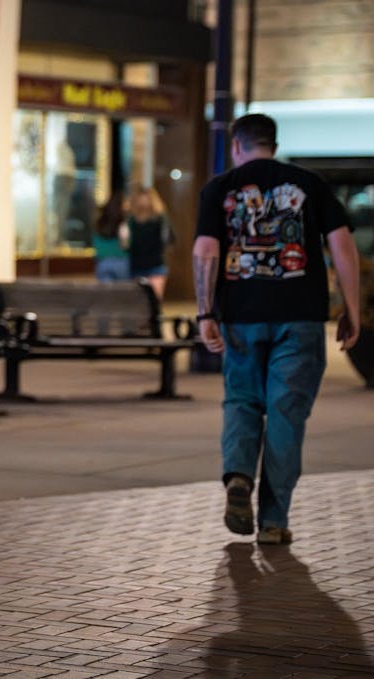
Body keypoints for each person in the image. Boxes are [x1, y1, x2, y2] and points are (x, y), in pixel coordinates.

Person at [193, 113, 360, 546]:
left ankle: (239, 476)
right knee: (286, 415)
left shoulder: (219, 188)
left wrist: (205, 312)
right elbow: (341, 244)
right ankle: (272, 521)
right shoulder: (310, 184)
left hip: (241, 318)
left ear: (236, 145)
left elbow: (206, 249)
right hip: (300, 316)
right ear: (274, 143)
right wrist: (352, 309)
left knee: (243, 402)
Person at [124, 185, 173, 299]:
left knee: (154, 302)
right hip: (136, 266)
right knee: (137, 302)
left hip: (156, 264)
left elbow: (170, 239)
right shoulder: (130, 220)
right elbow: (126, 244)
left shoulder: (160, 220)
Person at [93, 191, 130, 281]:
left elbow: (95, 244)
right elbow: (125, 245)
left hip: (102, 262)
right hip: (121, 262)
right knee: (121, 293)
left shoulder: (99, 222)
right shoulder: (124, 223)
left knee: (106, 294)